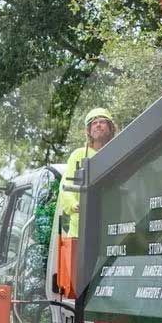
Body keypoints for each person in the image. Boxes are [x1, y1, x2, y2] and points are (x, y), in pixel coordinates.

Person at [54, 107, 117, 294]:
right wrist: (74, 205)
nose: (98, 124)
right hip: (79, 231)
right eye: (94, 122)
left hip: (110, 230)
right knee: (81, 286)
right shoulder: (79, 155)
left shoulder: (118, 151)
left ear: (111, 127)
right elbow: (65, 186)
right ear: (89, 130)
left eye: (103, 121)